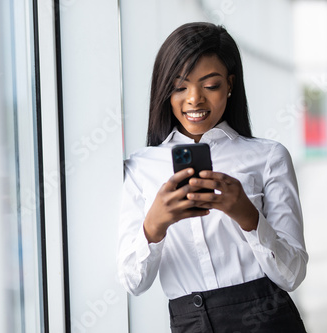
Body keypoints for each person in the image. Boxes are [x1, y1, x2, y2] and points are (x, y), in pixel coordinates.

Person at [117, 22, 308, 332]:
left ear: (230, 85)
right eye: (180, 86)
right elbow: (133, 282)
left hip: (268, 320)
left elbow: (293, 275)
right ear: (165, 89)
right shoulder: (140, 168)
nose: (194, 99)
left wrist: (249, 217)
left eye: (211, 85)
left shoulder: (269, 156)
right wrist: (153, 227)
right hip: (189, 322)